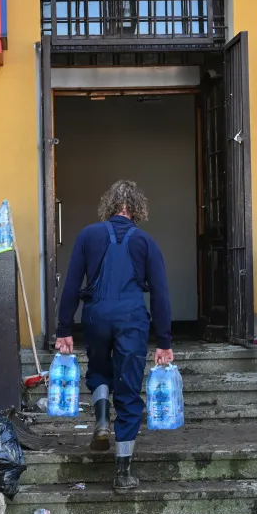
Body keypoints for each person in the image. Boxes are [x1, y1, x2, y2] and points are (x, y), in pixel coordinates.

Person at [54, 180, 173, 491]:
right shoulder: (146, 242)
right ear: (135, 208)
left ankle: (102, 419)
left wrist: (64, 329)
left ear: (110, 206)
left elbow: (71, 284)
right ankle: (122, 472)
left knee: (98, 370)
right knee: (129, 389)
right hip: (132, 319)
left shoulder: (87, 235)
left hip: (95, 316)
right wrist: (164, 341)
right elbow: (160, 294)